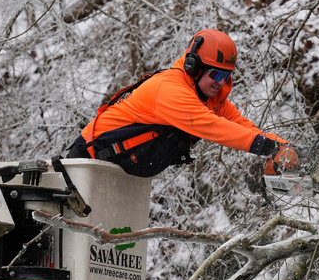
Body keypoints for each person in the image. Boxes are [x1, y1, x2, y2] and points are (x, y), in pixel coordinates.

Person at [67, 29, 297, 178]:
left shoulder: (209, 98)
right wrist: (270, 149)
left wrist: (287, 148)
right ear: (194, 67)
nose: (221, 83)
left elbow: (242, 126)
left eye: (226, 76)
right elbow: (212, 126)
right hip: (89, 160)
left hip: (121, 172)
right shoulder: (170, 89)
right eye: (216, 75)